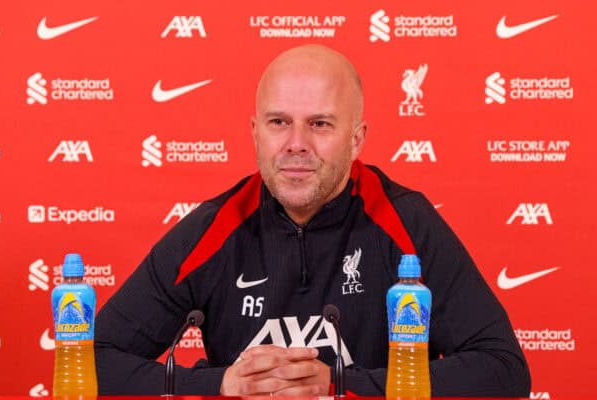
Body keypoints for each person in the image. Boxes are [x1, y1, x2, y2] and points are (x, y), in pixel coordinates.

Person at [95, 44, 531, 397]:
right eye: (279, 122)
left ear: (356, 138)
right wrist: (222, 383)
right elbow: (91, 359)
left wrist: (339, 384)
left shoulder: (408, 223)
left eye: (320, 124)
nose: (296, 144)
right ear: (255, 132)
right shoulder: (214, 228)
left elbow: (504, 370)